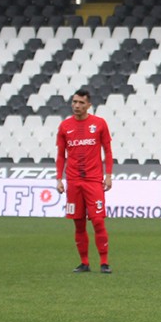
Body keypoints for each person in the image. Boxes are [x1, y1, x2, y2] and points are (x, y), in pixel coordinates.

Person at [55, 88, 113, 273]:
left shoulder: (99, 123)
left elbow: (108, 151)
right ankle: (84, 262)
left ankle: (104, 262)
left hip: (93, 181)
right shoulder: (65, 126)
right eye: (74, 102)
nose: (77, 106)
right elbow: (61, 155)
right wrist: (59, 178)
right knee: (78, 223)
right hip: (73, 182)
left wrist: (108, 175)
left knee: (98, 221)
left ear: (89, 105)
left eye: (81, 102)